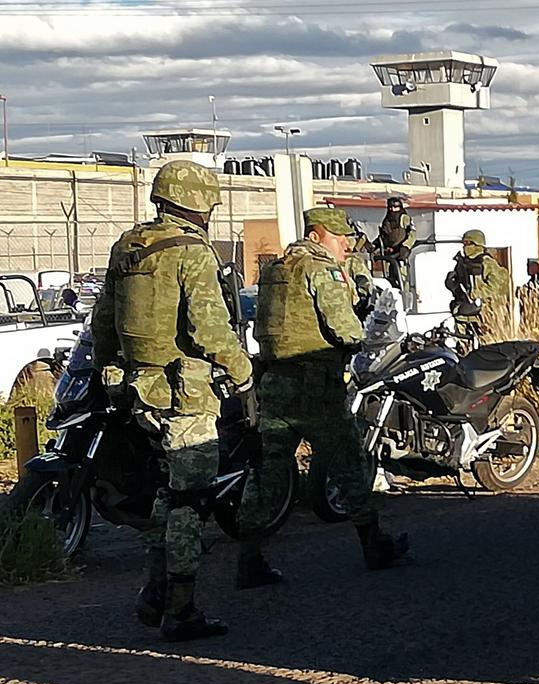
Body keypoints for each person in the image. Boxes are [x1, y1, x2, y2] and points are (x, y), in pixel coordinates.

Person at [91, 159, 253, 641]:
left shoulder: (129, 245)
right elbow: (210, 329)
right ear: (198, 204)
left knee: (167, 490)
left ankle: (155, 592)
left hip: (140, 390)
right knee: (189, 498)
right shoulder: (192, 252)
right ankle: (180, 610)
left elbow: (103, 318)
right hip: (185, 394)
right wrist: (243, 375)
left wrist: (107, 369)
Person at [239, 207, 410, 588]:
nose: (346, 245)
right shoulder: (321, 269)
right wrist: (358, 323)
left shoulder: (275, 270)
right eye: (338, 237)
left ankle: (249, 557)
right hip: (315, 386)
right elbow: (346, 331)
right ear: (317, 237)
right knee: (350, 459)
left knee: (268, 471)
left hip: (274, 383)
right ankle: (373, 544)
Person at [448, 229, 511, 340]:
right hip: (463, 314)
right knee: (462, 347)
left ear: (477, 244)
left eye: (468, 243)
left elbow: (498, 287)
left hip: (483, 315)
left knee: (485, 348)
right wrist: (452, 285)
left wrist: (475, 294)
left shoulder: (487, 263)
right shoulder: (462, 264)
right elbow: (460, 287)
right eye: (464, 244)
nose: (464, 247)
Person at [375, 197, 415, 289]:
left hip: (401, 254)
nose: (392, 210)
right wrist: (374, 245)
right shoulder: (387, 221)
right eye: (390, 207)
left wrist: (406, 246)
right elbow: (383, 236)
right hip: (389, 255)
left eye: (395, 207)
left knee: (402, 279)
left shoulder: (404, 218)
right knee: (390, 281)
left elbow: (412, 234)